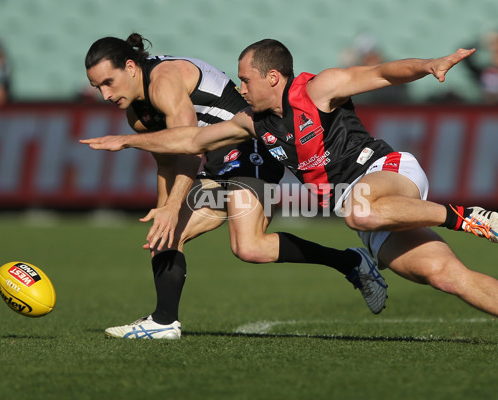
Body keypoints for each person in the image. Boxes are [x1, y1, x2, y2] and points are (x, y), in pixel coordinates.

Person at [82, 39, 498, 347]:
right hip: (366, 211)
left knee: (356, 210)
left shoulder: (316, 89)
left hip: (388, 173)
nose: (240, 87)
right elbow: (191, 141)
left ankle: (463, 215)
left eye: (246, 79)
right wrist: (128, 140)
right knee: (444, 275)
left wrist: (430, 64)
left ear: (273, 77)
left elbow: (382, 74)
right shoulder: (252, 121)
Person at [84, 34, 389, 339]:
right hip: (217, 159)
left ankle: (349, 261)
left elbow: (189, 151)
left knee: (248, 246)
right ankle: (164, 322)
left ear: (131, 67)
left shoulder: (164, 80)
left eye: (109, 82)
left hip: (250, 147)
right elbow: (167, 162)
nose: (105, 94)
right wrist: (165, 210)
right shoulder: (137, 114)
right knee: (166, 236)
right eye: (98, 87)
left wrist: (173, 208)